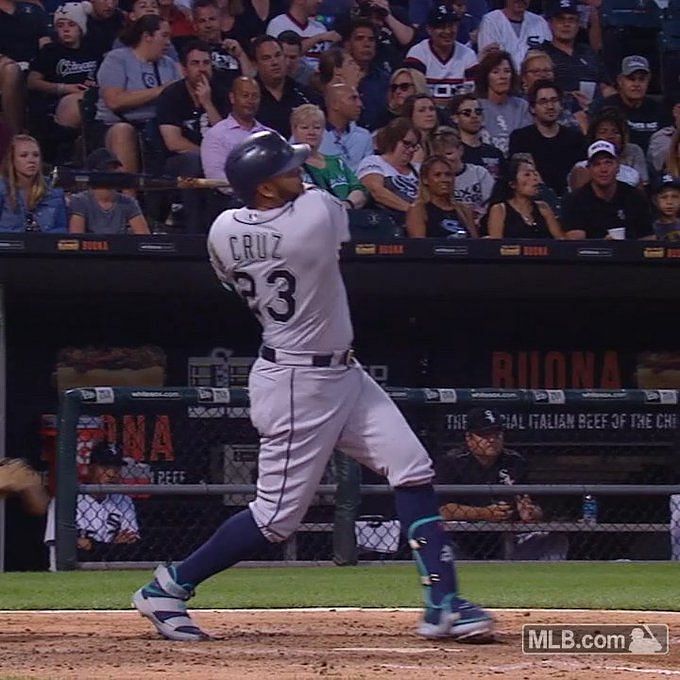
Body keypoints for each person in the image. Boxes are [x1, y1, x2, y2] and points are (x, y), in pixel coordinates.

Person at [133, 128, 494, 642]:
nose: (300, 170)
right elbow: (343, 189)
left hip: (342, 373)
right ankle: (168, 587)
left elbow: (235, 259)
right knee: (275, 519)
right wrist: (297, 188)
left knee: (412, 469)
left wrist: (266, 190)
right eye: (288, 169)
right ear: (263, 188)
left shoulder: (221, 230)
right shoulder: (316, 219)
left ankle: (444, 604)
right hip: (298, 382)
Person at [435, 407, 568, 561]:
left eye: (496, 434)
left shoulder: (515, 461)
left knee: (555, 539)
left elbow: (533, 505)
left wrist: (530, 512)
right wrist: (485, 513)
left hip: (505, 535)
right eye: (484, 435)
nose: (491, 440)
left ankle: (536, 581)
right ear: (469, 438)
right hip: (461, 536)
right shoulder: (452, 462)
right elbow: (441, 510)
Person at [94, 15, 181, 176]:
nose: (168, 42)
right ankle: (129, 197)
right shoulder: (117, 58)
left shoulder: (168, 64)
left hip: (158, 126)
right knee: (123, 131)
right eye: (164, 35)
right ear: (147, 36)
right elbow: (114, 101)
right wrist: (160, 91)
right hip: (117, 125)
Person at [157, 40, 225, 232]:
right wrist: (209, 156)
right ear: (184, 69)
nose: (202, 69)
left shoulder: (221, 93)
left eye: (206, 63)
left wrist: (208, 103)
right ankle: (194, 232)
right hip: (176, 163)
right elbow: (173, 143)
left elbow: (226, 137)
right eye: (195, 63)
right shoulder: (171, 95)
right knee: (193, 162)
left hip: (216, 161)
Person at [27, 2, 98, 135]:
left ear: (81, 28)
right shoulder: (50, 51)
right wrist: (63, 88)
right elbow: (32, 82)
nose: (65, 29)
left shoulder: (93, 49)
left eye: (71, 25)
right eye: (60, 25)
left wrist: (94, 84)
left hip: (90, 97)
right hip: (56, 103)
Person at [561, 140, 654, 240]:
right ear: (589, 169)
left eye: (608, 163)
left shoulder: (635, 197)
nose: (603, 169)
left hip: (630, 254)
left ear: (618, 166)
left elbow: (648, 239)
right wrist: (604, 247)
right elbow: (575, 245)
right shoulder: (575, 200)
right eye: (597, 164)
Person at [508, 80, 587, 196]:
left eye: (554, 100)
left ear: (561, 105)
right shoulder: (520, 138)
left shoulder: (576, 138)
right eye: (543, 102)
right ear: (532, 108)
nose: (550, 106)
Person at [539, 0, 613, 114]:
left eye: (571, 19)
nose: (566, 24)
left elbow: (605, 87)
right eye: (560, 19)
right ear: (550, 23)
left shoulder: (588, 52)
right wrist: (568, 97)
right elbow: (535, 90)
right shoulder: (541, 53)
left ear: (578, 25)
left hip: (595, 112)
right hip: (558, 113)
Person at [291, 103, 367, 208]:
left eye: (317, 128)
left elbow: (358, 189)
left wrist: (346, 205)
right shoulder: (288, 165)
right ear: (294, 131)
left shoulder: (337, 162)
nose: (311, 132)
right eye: (304, 128)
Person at [403, 3, 477, 106]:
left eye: (451, 26)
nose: (447, 31)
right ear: (429, 29)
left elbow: (470, 96)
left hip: (458, 115)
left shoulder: (468, 55)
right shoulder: (417, 53)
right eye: (441, 27)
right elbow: (414, 96)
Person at [200, 76, 269, 183]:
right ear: (232, 98)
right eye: (245, 96)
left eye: (255, 96)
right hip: (232, 197)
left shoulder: (269, 135)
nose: (251, 101)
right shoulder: (216, 135)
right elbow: (216, 178)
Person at [77, 441, 140, 555]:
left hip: (114, 568)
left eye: (116, 467)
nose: (111, 473)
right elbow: (70, 549)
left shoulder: (124, 501)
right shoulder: (66, 501)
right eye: (105, 467)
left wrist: (93, 546)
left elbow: (131, 545)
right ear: (91, 468)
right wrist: (114, 546)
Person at [68, 148, 150, 234]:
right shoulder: (80, 201)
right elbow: (77, 238)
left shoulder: (128, 202)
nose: (114, 173)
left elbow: (144, 237)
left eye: (115, 168)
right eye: (107, 169)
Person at [594, 55, 664, 153]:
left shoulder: (659, 108)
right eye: (631, 79)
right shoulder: (606, 107)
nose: (636, 84)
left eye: (642, 79)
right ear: (620, 81)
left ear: (648, 80)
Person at [0, 0, 51, 134]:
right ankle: (16, 137)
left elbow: (45, 42)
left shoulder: (33, 9)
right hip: (4, 66)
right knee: (11, 70)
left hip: (34, 65)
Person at [569, 107, 648, 191]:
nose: (610, 136)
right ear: (594, 136)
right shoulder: (582, 168)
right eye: (603, 132)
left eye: (616, 132)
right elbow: (579, 200)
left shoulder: (633, 175)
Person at [0, 134, 67, 232]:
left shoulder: (53, 190)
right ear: (12, 160)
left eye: (36, 155)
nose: (31, 160)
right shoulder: (2, 189)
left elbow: (61, 229)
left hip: (44, 245)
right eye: (24, 155)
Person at [356, 117, 420, 220]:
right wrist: (412, 211)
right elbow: (376, 192)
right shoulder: (373, 162)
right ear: (393, 140)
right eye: (407, 143)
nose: (411, 149)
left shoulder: (418, 169)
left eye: (414, 146)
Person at [485, 155, 563, 238]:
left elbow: (559, 241)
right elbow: (495, 245)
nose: (535, 178)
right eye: (527, 174)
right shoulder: (500, 209)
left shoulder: (543, 207)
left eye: (535, 174)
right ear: (512, 184)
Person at [252, 35, 315, 138]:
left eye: (278, 55)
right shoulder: (249, 97)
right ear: (255, 64)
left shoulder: (305, 95)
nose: (274, 62)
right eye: (266, 58)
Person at [431, 127, 494, 223]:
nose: (445, 160)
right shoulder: (434, 178)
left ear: (460, 150)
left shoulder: (479, 173)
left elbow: (492, 203)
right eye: (439, 156)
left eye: (449, 153)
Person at [475, 50, 532, 157]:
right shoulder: (476, 106)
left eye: (507, 71)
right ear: (486, 77)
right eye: (496, 72)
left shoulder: (522, 106)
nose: (503, 76)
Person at [192, 0, 255, 92]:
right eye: (202, 21)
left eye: (212, 19)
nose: (208, 25)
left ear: (220, 21)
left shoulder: (234, 48)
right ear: (195, 26)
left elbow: (251, 80)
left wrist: (241, 55)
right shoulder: (192, 52)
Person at [406, 155, 477, 238]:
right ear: (425, 179)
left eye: (448, 174)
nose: (444, 179)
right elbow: (420, 247)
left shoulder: (465, 210)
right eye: (437, 175)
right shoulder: (419, 210)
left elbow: (475, 245)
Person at [342, 18, 390, 132]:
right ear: (347, 45)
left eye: (371, 40)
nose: (366, 44)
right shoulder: (336, 78)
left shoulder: (385, 80)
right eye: (359, 39)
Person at [477, 0, 551, 71]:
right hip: (505, 79)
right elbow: (490, 60)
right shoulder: (491, 20)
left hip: (535, 79)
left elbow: (548, 56)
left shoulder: (539, 22)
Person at [266, 0, 341, 69]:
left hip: (319, 78)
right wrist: (318, 38)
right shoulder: (278, 24)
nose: (320, 1)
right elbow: (282, 56)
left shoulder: (320, 27)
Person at [449, 92, 505, 179]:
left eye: (478, 112)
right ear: (455, 118)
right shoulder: (453, 153)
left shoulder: (494, 153)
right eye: (467, 113)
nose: (474, 116)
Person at [318, 83, 372, 172]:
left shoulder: (364, 136)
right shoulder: (310, 134)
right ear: (335, 104)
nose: (360, 104)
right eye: (353, 98)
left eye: (359, 98)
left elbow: (368, 171)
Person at [402, 93, 439, 164]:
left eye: (432, 109)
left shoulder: (435, 143)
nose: (429, 114)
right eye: (421, 110)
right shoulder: (408, 147)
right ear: (410, 115)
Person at [652, 174, 680, 241]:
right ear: (655, 200)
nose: (669, 202)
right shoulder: (648, 229)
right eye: (664, 197)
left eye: (675, 197)